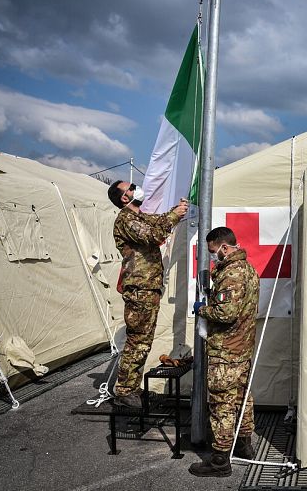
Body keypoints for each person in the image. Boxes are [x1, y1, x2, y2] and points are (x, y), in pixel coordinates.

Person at [107, 180, 188, 409]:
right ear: (124, 197)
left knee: (144, 341)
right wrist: (174, 217)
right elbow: (152, 235)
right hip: (139, 289)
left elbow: (158, 221)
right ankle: (124, 390)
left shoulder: (138, 217)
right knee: (137, 341)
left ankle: (132, 387)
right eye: (131, 187)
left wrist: (175, 212)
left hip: (148, 287)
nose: (136, 188)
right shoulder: (125, 219)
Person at [189, 227, 259, 478]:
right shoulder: (249, 270)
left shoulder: (232, 274)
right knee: (242, 398)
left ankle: (220, 461)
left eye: (213, 252)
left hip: (226, 351)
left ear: (225, 248)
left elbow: (226, 313)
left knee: (221, 404)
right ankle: (244, 444)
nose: (212, 257)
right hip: (242, 347)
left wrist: (202, 309)